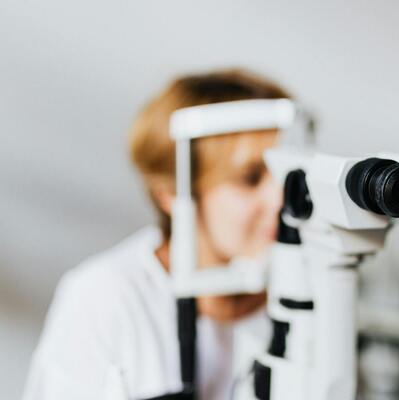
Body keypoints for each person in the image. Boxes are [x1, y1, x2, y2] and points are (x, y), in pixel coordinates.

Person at [23, 69, 290, 400]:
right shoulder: (107, 299)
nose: (279, 198)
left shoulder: (311, 295)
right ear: (173, 192)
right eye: (250, 178)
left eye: (285, 174)